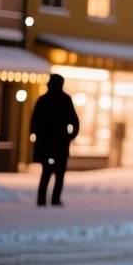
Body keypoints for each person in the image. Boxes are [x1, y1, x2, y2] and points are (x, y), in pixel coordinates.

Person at [30, 74, 80, 207]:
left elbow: (34, 124)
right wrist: (69, 137)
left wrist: (37, 139)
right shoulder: (65, 100)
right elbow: (74, 122)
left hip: (46, 146)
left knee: (46, 173)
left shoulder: (43, 100)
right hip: (61, 146)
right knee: (59, 175)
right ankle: (55, 199)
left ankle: (41, 200)